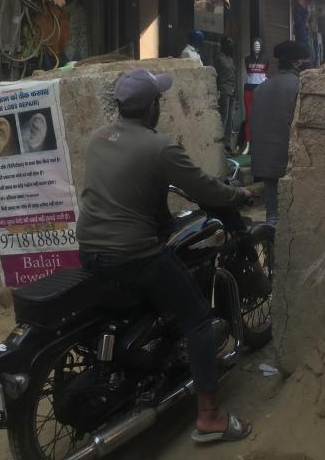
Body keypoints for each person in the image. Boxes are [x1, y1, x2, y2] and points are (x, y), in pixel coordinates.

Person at [77, 68, 254, 443]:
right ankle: (209, 418)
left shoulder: (98, 138)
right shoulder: (159, 147)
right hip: (135, 255)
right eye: (159, 99)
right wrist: (238, 196)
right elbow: (207, 188)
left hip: (91, 252)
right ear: (152, 107)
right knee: (198, 321)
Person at [251, 40, 309, 226]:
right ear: (297, 62)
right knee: (292, 215)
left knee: (272, 213)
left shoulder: (261, 88)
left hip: (263, 158)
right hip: (288, 158)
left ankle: (270, 242)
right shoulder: (301, 86)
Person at [215, 37, 236, 152]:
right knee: (224, 116)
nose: (231, 46)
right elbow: (216, 75)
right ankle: (220, 144)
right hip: (223, 90)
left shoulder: (230, 59)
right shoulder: (219, 58)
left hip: (232, 90)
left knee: (230, 118)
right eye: (229, 44)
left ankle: (227, 143)